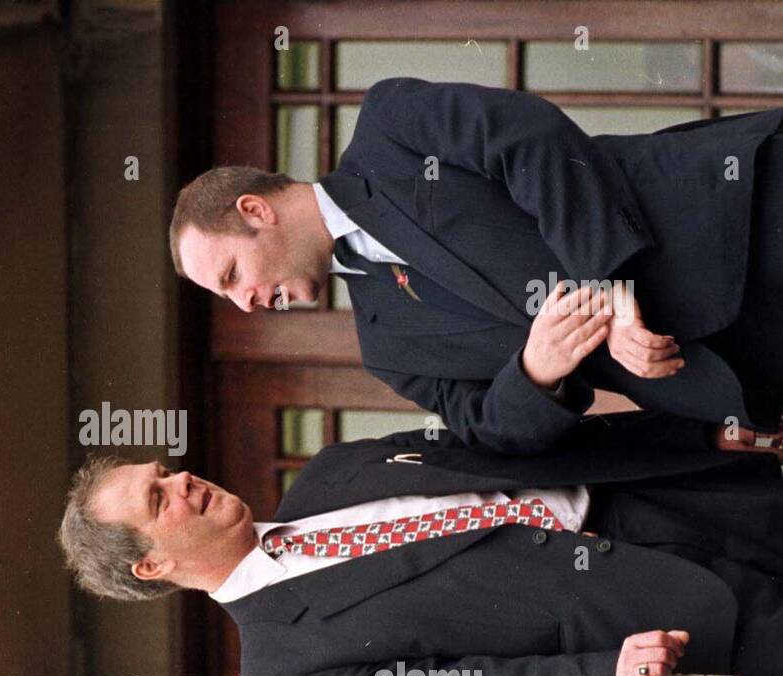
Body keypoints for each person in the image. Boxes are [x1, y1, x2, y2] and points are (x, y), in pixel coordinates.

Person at [57, 411, 783, 676]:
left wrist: (687, 436)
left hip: (692, 500)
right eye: (159, 500)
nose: (180, 480)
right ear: (149, 565)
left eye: (163, 472)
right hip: (668, 638)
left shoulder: (332, 470)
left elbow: (509, 445)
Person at [170, 77, 783, 455]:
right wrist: (535, 372)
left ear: (254, 210)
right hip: (736, 377)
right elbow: (492, 433)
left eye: (229, 276)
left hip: (743, 222)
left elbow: (531, 138)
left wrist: (606, 283)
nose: (245, 302)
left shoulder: (389, 129)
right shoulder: (387, 350)